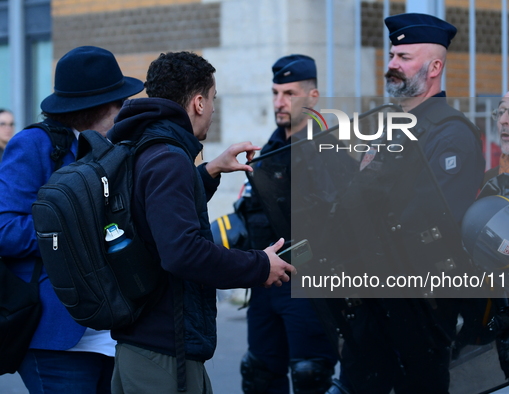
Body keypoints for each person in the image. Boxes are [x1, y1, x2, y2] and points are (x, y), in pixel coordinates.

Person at [107, 51, 294, 394]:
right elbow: (183, 252)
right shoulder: (168, 159)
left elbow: (154, 211)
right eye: (212, 99)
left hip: (147, 344)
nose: (211, 108)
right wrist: (259, 265)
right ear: (197, 103)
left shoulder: (144, 144)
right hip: (165, 350)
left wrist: (210, 171)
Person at [327, 13, 485, 394]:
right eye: (392, 55)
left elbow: (429, 222)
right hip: (372, 307)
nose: (392, 65)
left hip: (418, 313)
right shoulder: (391, 129)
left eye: (404, 57)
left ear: (434, 67)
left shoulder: (450, 134)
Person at [0, 46, 143, 393]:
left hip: (114, 332)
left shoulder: (114, 148)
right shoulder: (33, 145)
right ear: (101, 107)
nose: (125, 111)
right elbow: (5, 230)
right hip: (55, 338)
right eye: (119, 103)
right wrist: (78, 234)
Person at [236, 54, 339, 394]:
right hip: (266, 285)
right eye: (276, 93)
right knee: (260, 374)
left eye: (289, 94)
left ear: (312, 98)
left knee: (311, 376)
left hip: (308, 286)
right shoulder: (268, 149)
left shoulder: (329, 151)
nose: (280, 102)